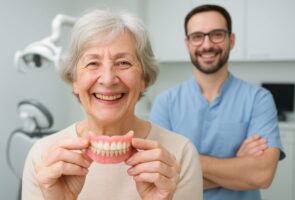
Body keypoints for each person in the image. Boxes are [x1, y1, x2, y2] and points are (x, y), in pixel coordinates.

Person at [22, 9, 203, 200]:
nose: (108, 80)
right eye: (93, 63)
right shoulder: (43, 157)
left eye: (123, 63)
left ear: (144, 78)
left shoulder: (180, 154)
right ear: (74, 80)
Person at [149, 4, 285, 200]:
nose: (207, 45)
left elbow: (262, 175)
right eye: (197, 36)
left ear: (231, 40)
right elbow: (157, 180)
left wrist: (183, 164)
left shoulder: (259, 99)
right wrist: (237, 164)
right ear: (187, 43)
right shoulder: (166, 103)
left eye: (217, 34)